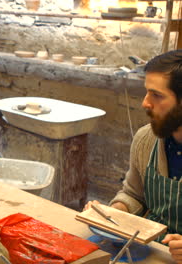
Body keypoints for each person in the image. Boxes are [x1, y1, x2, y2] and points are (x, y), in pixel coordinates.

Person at [85, 50, 182, 263]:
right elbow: (135, 195)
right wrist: (114, 214)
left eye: (156, 95)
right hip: (151, 250)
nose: (145, 103)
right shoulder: (146, 138)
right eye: (146, 92)